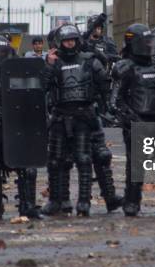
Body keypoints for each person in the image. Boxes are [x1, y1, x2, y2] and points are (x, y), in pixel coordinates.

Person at [110, 23, 155, 217]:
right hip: (137, 124)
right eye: (145, 42)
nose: (149, 46)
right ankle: (132, 202)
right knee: (136, 167)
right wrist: (129, 117)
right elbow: (115, 101)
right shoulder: (124, 67)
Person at [41, 23, 110, 217]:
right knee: (55, 161)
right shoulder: (53, 62)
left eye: (72, 40)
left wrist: (105, 106)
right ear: (60, 43)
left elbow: (104, 84)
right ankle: (57, 201)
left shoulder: (89, 60)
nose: (70, 44)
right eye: (66, 41)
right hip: (60, 116)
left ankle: (84, 202)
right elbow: (42, 87)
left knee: (84, 159)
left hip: (83, 116)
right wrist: (49, 66)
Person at [0, 36, 42, 220]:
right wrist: (2, 113)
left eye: (3, 53)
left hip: (16, 128)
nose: (0, 57)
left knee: (27, 167)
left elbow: (30, 98)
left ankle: (27, 205)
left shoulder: (18, 73)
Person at [79, 14, 123, 212]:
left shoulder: (107, 43)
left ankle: (110, 197)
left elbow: (115, 58)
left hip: (100, 83)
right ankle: (78, 199)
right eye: (95, 27)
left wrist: (104, 57)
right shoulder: (83, 44)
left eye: (100, 27)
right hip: (78, 100)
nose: (98, 30)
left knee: (101, 154)